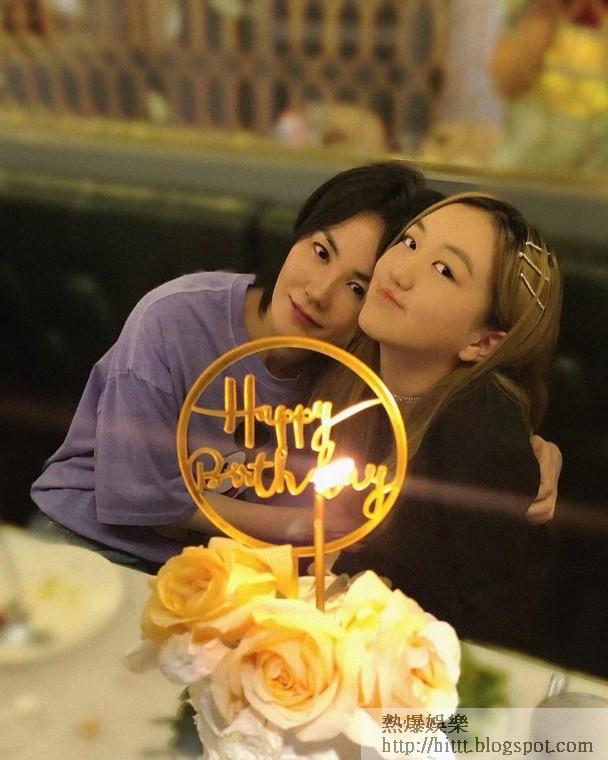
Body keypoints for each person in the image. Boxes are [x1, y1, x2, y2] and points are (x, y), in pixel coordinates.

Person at [30, 164, 560, 570]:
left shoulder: (355, 370)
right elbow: (136, 497)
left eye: (357, 286)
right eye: (321, 252)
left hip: (226, 577)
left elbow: (442, 408)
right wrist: (302, 526)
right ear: (299, 234)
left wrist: (532, 454)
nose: (319, 292)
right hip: (88, 541)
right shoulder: (175, 319)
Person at [323, 192, 562, 651]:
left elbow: (488, 633)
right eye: (410, 243)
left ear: (484, 343)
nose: (399, 272)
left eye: (444, 270)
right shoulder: (346, 359)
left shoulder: (481, 434)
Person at [491, 0, 608, 173]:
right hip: (524, 165)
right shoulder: (535, 10)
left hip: (594, 171)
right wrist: (545, 15)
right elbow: (507, 84)